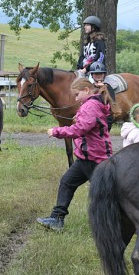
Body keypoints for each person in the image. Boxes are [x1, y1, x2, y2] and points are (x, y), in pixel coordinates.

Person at [37, 78, 113, 231]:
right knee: (67, 182)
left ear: (86, 90)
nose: (76, 98)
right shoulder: (92, 104)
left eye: (77, 94)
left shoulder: (91, 105)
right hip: (86, 157)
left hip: (95, 159)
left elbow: (80, 129)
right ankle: (57, 219)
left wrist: (56, 131)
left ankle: (116, 223)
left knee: (105, 194)